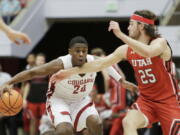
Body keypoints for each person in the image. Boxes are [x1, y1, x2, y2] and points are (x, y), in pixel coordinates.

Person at [50, 10, 180, 135]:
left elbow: (148, 52)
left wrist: (120, 35)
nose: (128, 28)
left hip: (169, 101)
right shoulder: (125, 50)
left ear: (141, 26)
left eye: (131, 24)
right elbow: (99, 63)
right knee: (128, 122)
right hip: (146, 101)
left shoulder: (160, 42)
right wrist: (69, 72)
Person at [0, 36, 137, 135]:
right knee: (65, 130)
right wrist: (9, 82)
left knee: (96, 122)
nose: (81, 54)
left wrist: (122, 81)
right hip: (59, 101)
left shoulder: (92, 60)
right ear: (70, 51)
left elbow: (107, 65)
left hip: (81, 99)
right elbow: (32, 72)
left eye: (84, 50)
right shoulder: (60, 64)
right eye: (77, 51)